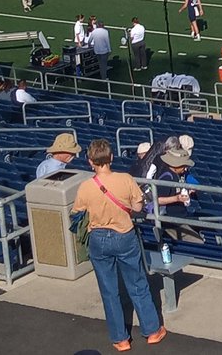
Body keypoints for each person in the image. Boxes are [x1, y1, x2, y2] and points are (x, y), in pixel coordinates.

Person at [71, 139, 167, 351]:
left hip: (98, 237)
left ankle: (120, 338)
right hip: (124, 234)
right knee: (137, 284)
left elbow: (76, 213)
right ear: (111, 157)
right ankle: (152, 331)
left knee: (109, 290)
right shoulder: (125, 179)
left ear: (90, 161)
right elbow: (138, 206)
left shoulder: (86, 186)